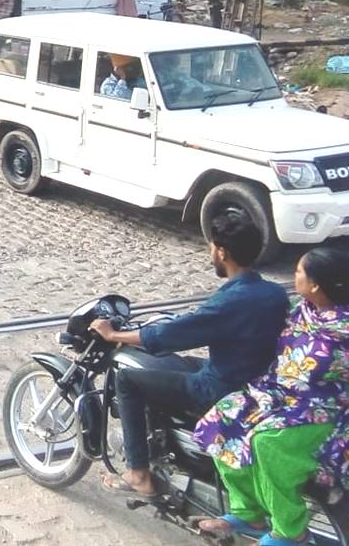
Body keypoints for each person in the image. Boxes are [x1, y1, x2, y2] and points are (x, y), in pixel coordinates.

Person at [88, 211, 289, 498]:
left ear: (222, 251)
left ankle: (138, 474)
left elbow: (171, 335)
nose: (210, 252)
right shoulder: (275, 293)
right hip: (255, 378)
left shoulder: (229, 301)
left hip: (220, 387)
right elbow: (200, 322)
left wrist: (114, 335)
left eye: (211, 246)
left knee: (129, 381)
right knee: (179, 365)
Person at [193, 247, 349, 545]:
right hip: (277, 395)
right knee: (221, 419)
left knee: (267, 444)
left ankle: (291, 531)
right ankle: (248, 511)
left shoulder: (342, 332)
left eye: (299, 272)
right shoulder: (304, 310)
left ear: (316, 284)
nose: (294, 276)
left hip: (323, 410)